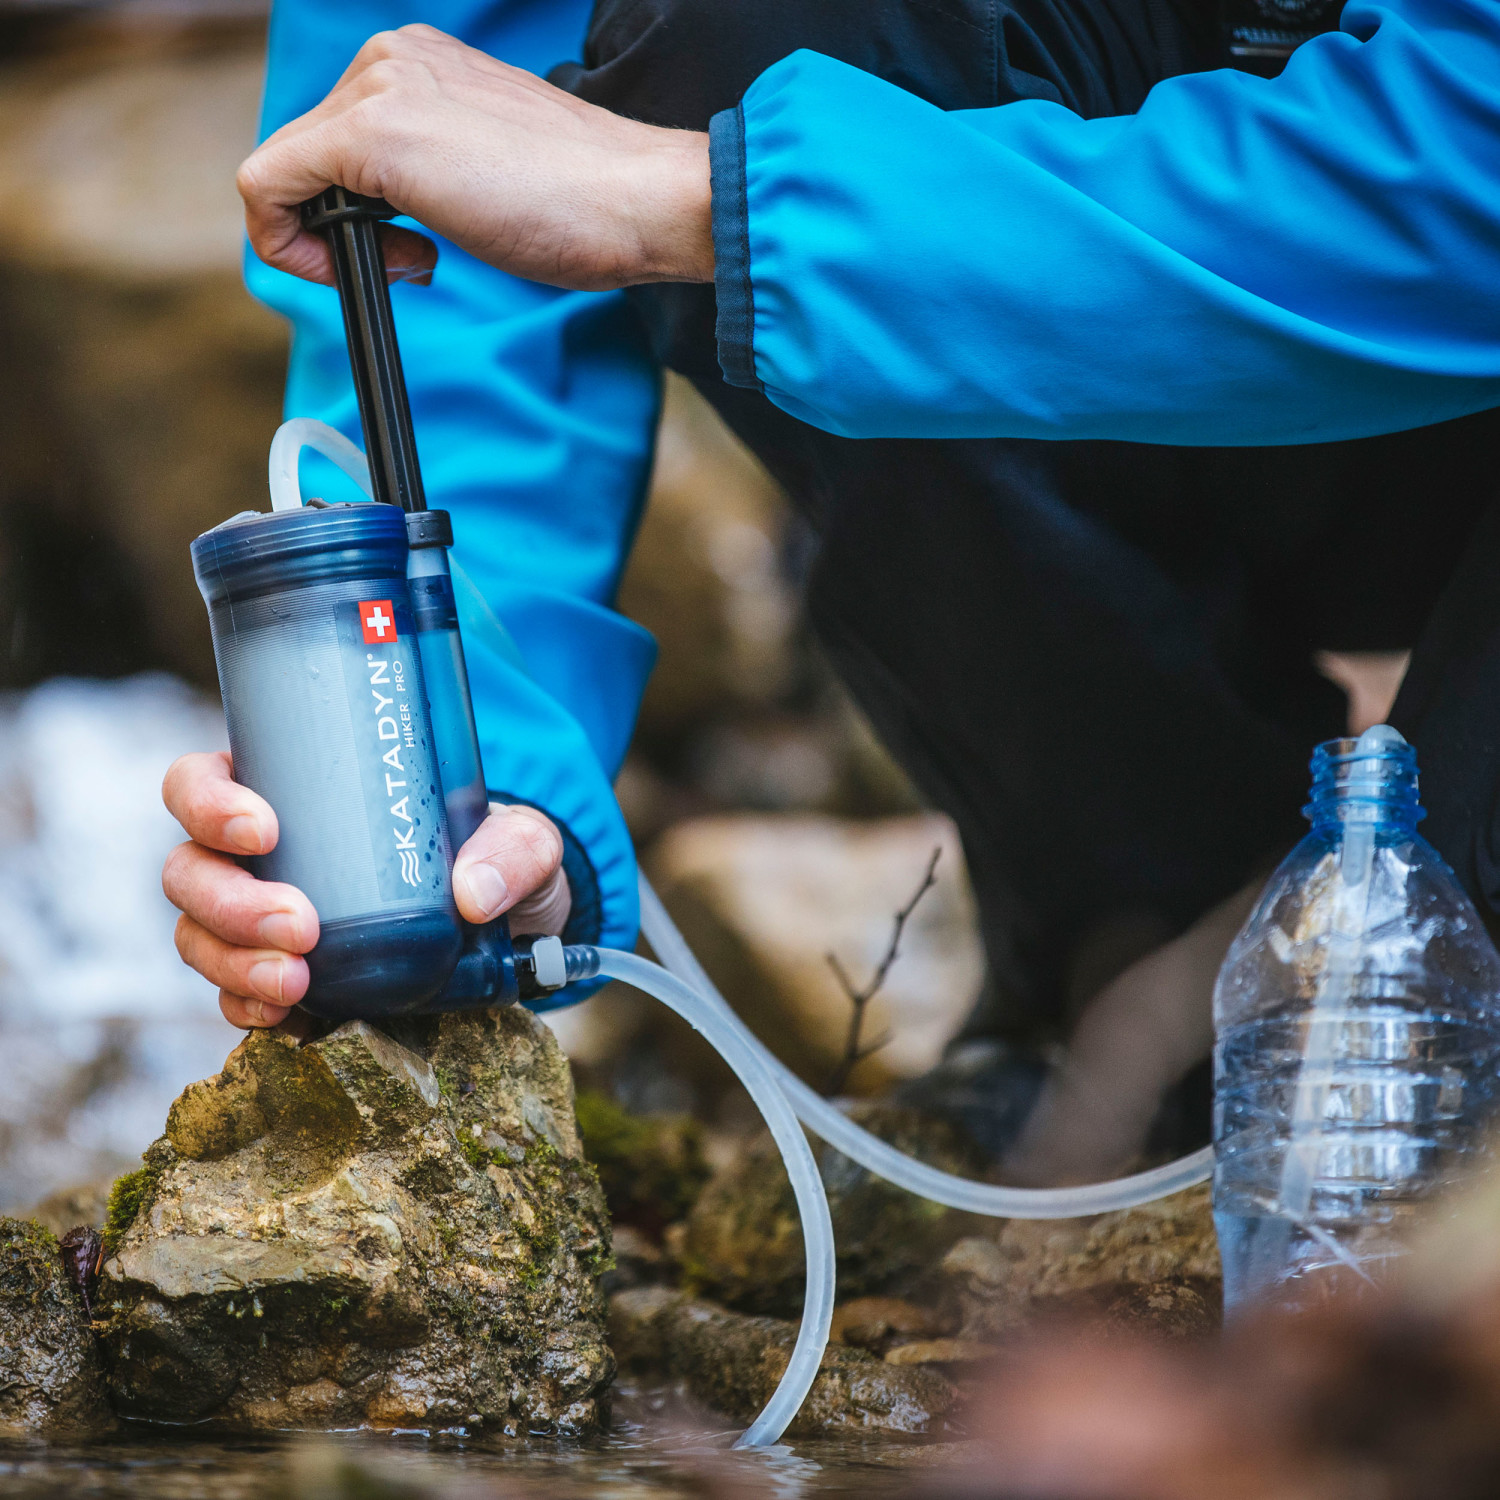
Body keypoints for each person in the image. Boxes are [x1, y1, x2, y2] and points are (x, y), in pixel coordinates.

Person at [165, 0, 1500, 1180]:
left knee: (1459, 1087)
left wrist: (703, 202)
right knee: (741, 33)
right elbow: (439, 138)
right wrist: (463, 783)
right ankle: (1137, 976)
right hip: (1131, 330)